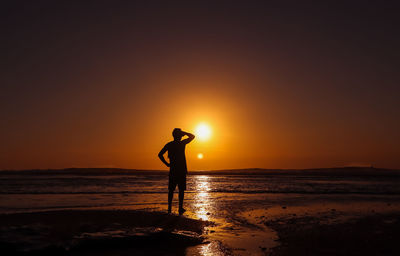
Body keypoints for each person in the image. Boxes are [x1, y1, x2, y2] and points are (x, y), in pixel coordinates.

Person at [158, 128, 195, 215]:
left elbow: (160, 154)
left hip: (173, 170)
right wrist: (184, 132)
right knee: (181, 190)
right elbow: (192, 136)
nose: (182, 136)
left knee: (171, 190)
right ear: (179, 135)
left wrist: (167, 164)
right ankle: (180, 208)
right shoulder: (182, 143)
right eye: (181, 135)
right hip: (181, 170)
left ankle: (170, 208)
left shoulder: (170, 144)